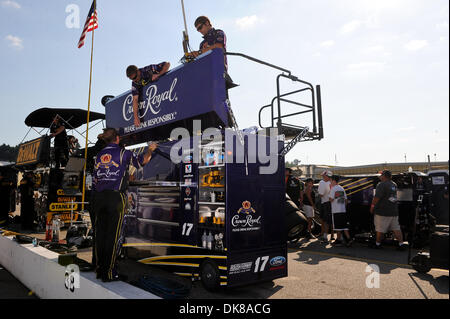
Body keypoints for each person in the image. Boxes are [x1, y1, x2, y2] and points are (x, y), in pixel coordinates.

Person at [91, 128, 158, 282]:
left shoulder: (99, 156)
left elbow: (95, 180)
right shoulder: (123, 152)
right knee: (113, 236)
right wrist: (150, 149)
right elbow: (142, 161)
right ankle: (109, 273)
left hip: (98, 198)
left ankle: (100, 270)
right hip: (115, 198)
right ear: (117, 138)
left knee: (100, 235)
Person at [126, 62, 171, 127]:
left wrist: (158, 74)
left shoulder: (148, 70)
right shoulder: (134, 83)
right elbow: (135, 100)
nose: (134, 80)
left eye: (135, 77)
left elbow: (167, 64)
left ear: (138, 72)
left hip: (166, 88)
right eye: (131, 79)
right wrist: (136, 118)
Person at [370, 170, 405, 250]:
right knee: (396, 228)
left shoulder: (381, 185)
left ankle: (378, 244)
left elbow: (377, 197)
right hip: (394, 211)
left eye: (381, 175)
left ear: (384, 176)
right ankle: (401, 244)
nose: (380, 176)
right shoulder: (394, 184)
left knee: (380, 229)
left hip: (383, 212)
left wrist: (372, 206)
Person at [329, 175, 353, 247]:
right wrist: (343, 207)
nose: (330, 181)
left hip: (336, 210)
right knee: (344, 226)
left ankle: (339, 241)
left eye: (330, 180)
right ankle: (348, 239)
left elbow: (331, 199)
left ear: (333, 180)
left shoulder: (333, 189)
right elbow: (346, 200)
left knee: (338, 227)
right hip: (342, 210)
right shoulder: (341, 188)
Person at [318, 170, 333, 243]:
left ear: (327, 176)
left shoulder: (322, 183)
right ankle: (332, 236)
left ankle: (325, 236)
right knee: (331, 220)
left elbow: (321, 194)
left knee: (324, 220)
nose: (322, 177)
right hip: (332, 203)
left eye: (323, 176)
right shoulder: (333, 183)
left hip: (325, 203)